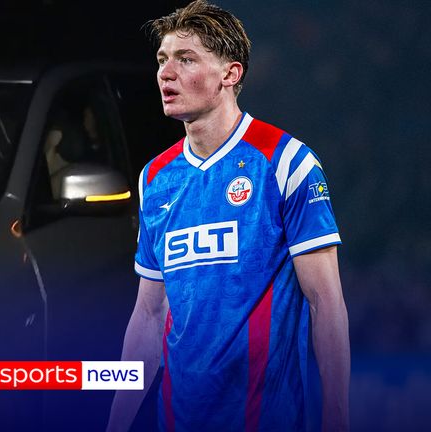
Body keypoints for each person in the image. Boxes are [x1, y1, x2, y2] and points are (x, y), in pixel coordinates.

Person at [106, 2, 350, 431]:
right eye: (163, 60)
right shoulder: (155, 178)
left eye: (186, 60)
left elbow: (325, 302)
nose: (166, 73)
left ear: (230, 74)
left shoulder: (287, 162)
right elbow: (149, 314)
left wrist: (337, 416)